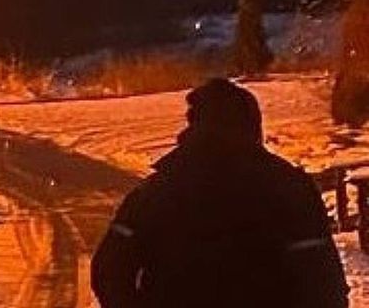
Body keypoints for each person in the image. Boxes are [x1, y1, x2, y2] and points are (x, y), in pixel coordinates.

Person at [91, 77, 347, 308]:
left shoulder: (154, 193)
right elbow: (322, 281)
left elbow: (108, 272)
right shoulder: (288, 188)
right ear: (252, 126)